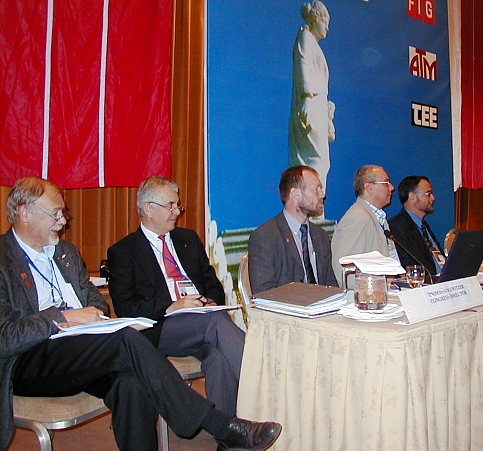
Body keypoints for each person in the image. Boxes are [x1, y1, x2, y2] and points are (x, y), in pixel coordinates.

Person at [0, 177, 281, 451]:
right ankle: (221, 424)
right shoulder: (3, 258)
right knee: (125, 338)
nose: (63, 220)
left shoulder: (65, 253)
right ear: (24, 213)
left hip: (82, 348)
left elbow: (97, 304)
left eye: (63, 212)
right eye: (55, 213)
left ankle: (227, 424)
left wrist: (87, 317)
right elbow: (5, 338)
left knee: (131, 384)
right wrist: (63, 317)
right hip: (30, 359)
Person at [107, 176, 245, 417]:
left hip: (201, 320)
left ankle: (229, 430)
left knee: (218, 358)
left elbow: (212, 284)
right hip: (160, 328)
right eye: (170, 206)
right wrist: (172, 306)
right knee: (215, 322)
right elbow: (125, 307)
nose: (177, 211)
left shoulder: (188, 239)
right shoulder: (124, 251)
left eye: (177, 205)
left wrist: (211, 302)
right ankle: (265, 384)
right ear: (148, 208)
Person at [248, 165, 337, 293]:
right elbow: (264, 293)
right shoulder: (265, 237)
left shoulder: (320, 235)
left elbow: (331, 285)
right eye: (315, 189)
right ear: (296, 193)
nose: (322, 195)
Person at [288, 0, 335, 194]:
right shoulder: (305, 37)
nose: (327, 27)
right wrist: (307, 99)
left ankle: (314, 202)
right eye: (325, 22)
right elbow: (303, 68)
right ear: (315, 19)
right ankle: (310, 201)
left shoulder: (312, 43)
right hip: (310, 103)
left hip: (317, 104)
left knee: (320, 160)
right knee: (315, 160)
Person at [331, 165, 399, 285]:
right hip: (368, 295)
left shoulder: (378, 218)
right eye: (386, 183)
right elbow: (346, 270)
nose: (392, 188)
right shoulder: (358, 218)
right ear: (369, 188)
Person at [388, 176, 446, 278]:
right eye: (428, 194)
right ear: (413, 197)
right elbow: (406, 267)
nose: (433, 198)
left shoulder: (423, 226)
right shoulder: (397, 227)